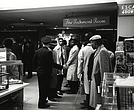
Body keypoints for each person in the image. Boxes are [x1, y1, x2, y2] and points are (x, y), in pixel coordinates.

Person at [32, 36, 64, 109]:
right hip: (46, 72)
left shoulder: (38, 51)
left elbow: (34, 62)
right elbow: (51, 63)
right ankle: (42, 103)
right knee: (45, 87)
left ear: (42, 43)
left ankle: (42, 100)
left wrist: (37, 68)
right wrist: (61, 67)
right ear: (49, 43)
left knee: (41, 87)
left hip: (40, 71)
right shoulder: (48, 52)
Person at [88, 35, 112, 110]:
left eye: (92, 43)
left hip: (98, 82)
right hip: (96, 80)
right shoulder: (99, 51)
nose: (91, 45)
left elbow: (105, 70)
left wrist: (103, 84)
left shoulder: (102, 52)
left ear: (95, 43)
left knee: (99, 103)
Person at [77, 32, 94, 109]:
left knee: (87, 88)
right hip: (95, 72)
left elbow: (80, 62)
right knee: (92, 89)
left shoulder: (83, 50)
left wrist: (79, 73)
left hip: (86, 71)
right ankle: (90, 102)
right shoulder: (97, 49)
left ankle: (88, 103)